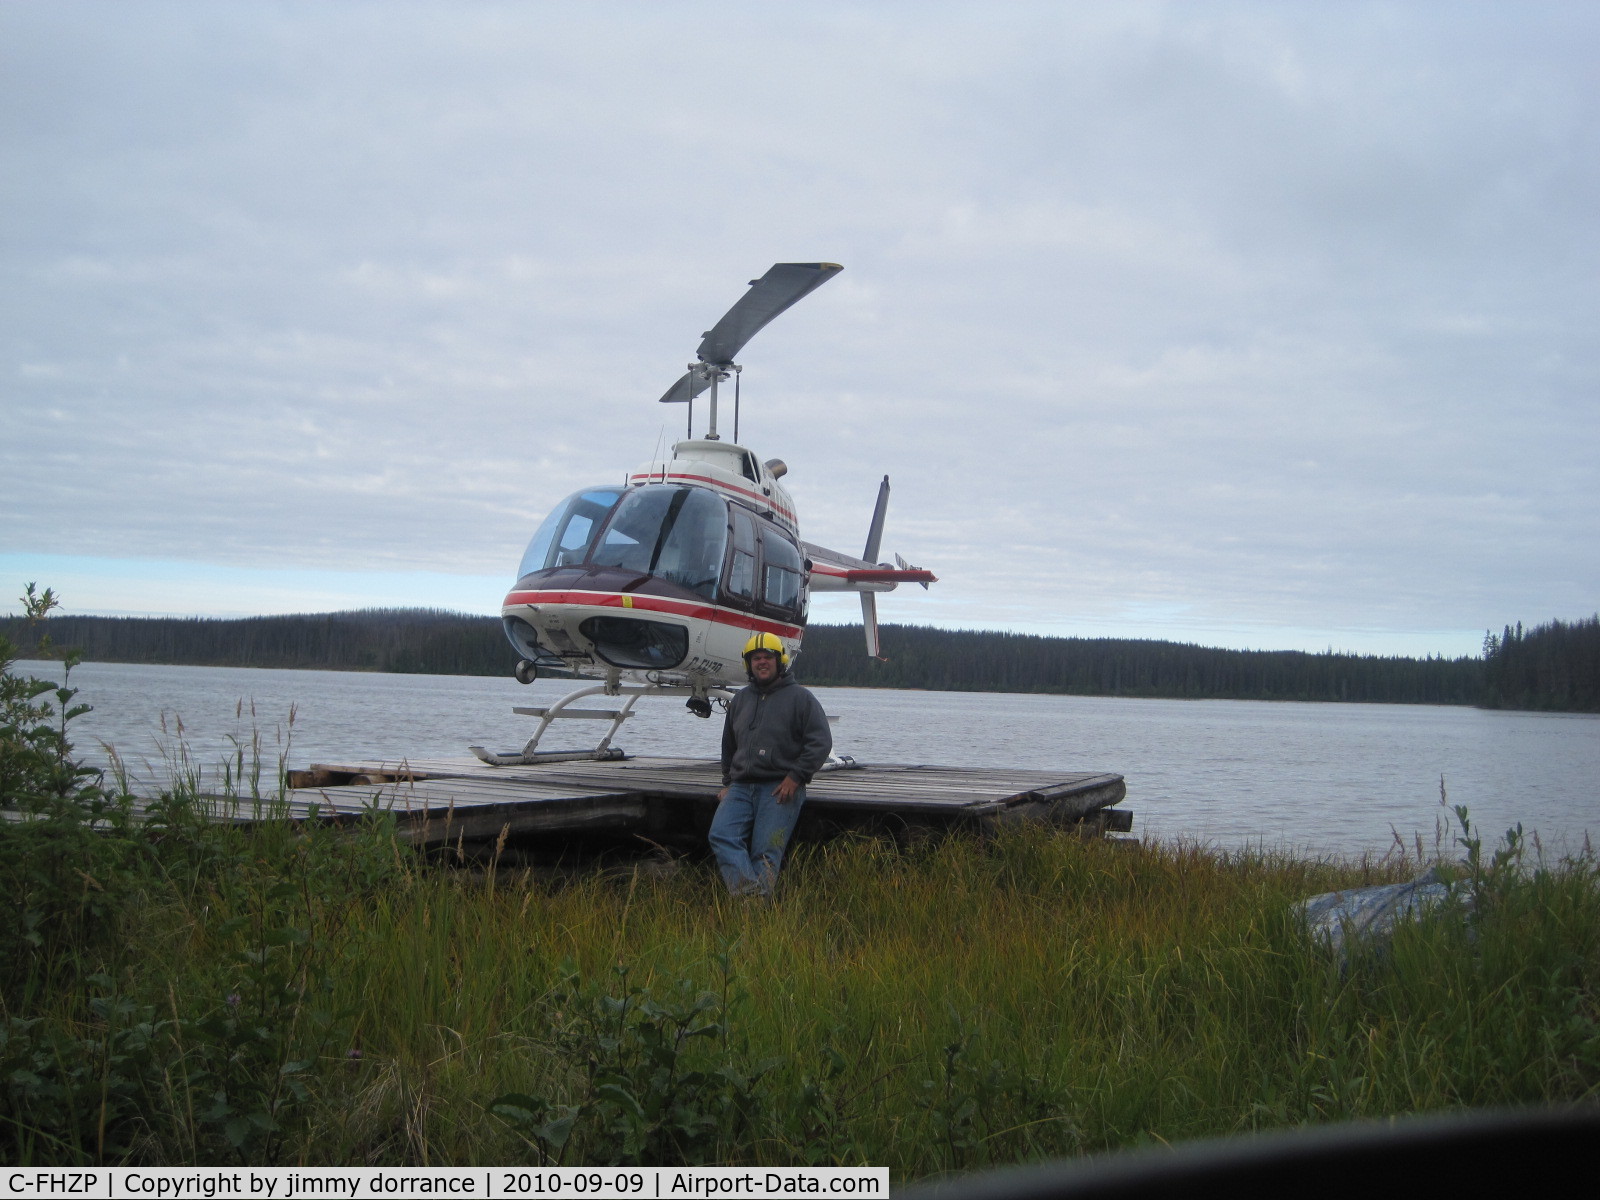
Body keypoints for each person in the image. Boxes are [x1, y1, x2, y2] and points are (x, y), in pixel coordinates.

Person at [709, 631, 832, 897]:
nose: (762, 662)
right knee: (721, 835)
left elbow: (820, 742)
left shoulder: (801, 698)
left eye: (767, 657)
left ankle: (753, 914)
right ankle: (752, 901)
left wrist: (796, 777)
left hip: (780, 787)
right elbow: (729, 746)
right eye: (756, 658)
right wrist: (728, 782)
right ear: (748, 664)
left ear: (780, 661)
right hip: (740, 787)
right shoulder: (740, 699)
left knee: (765, 853)